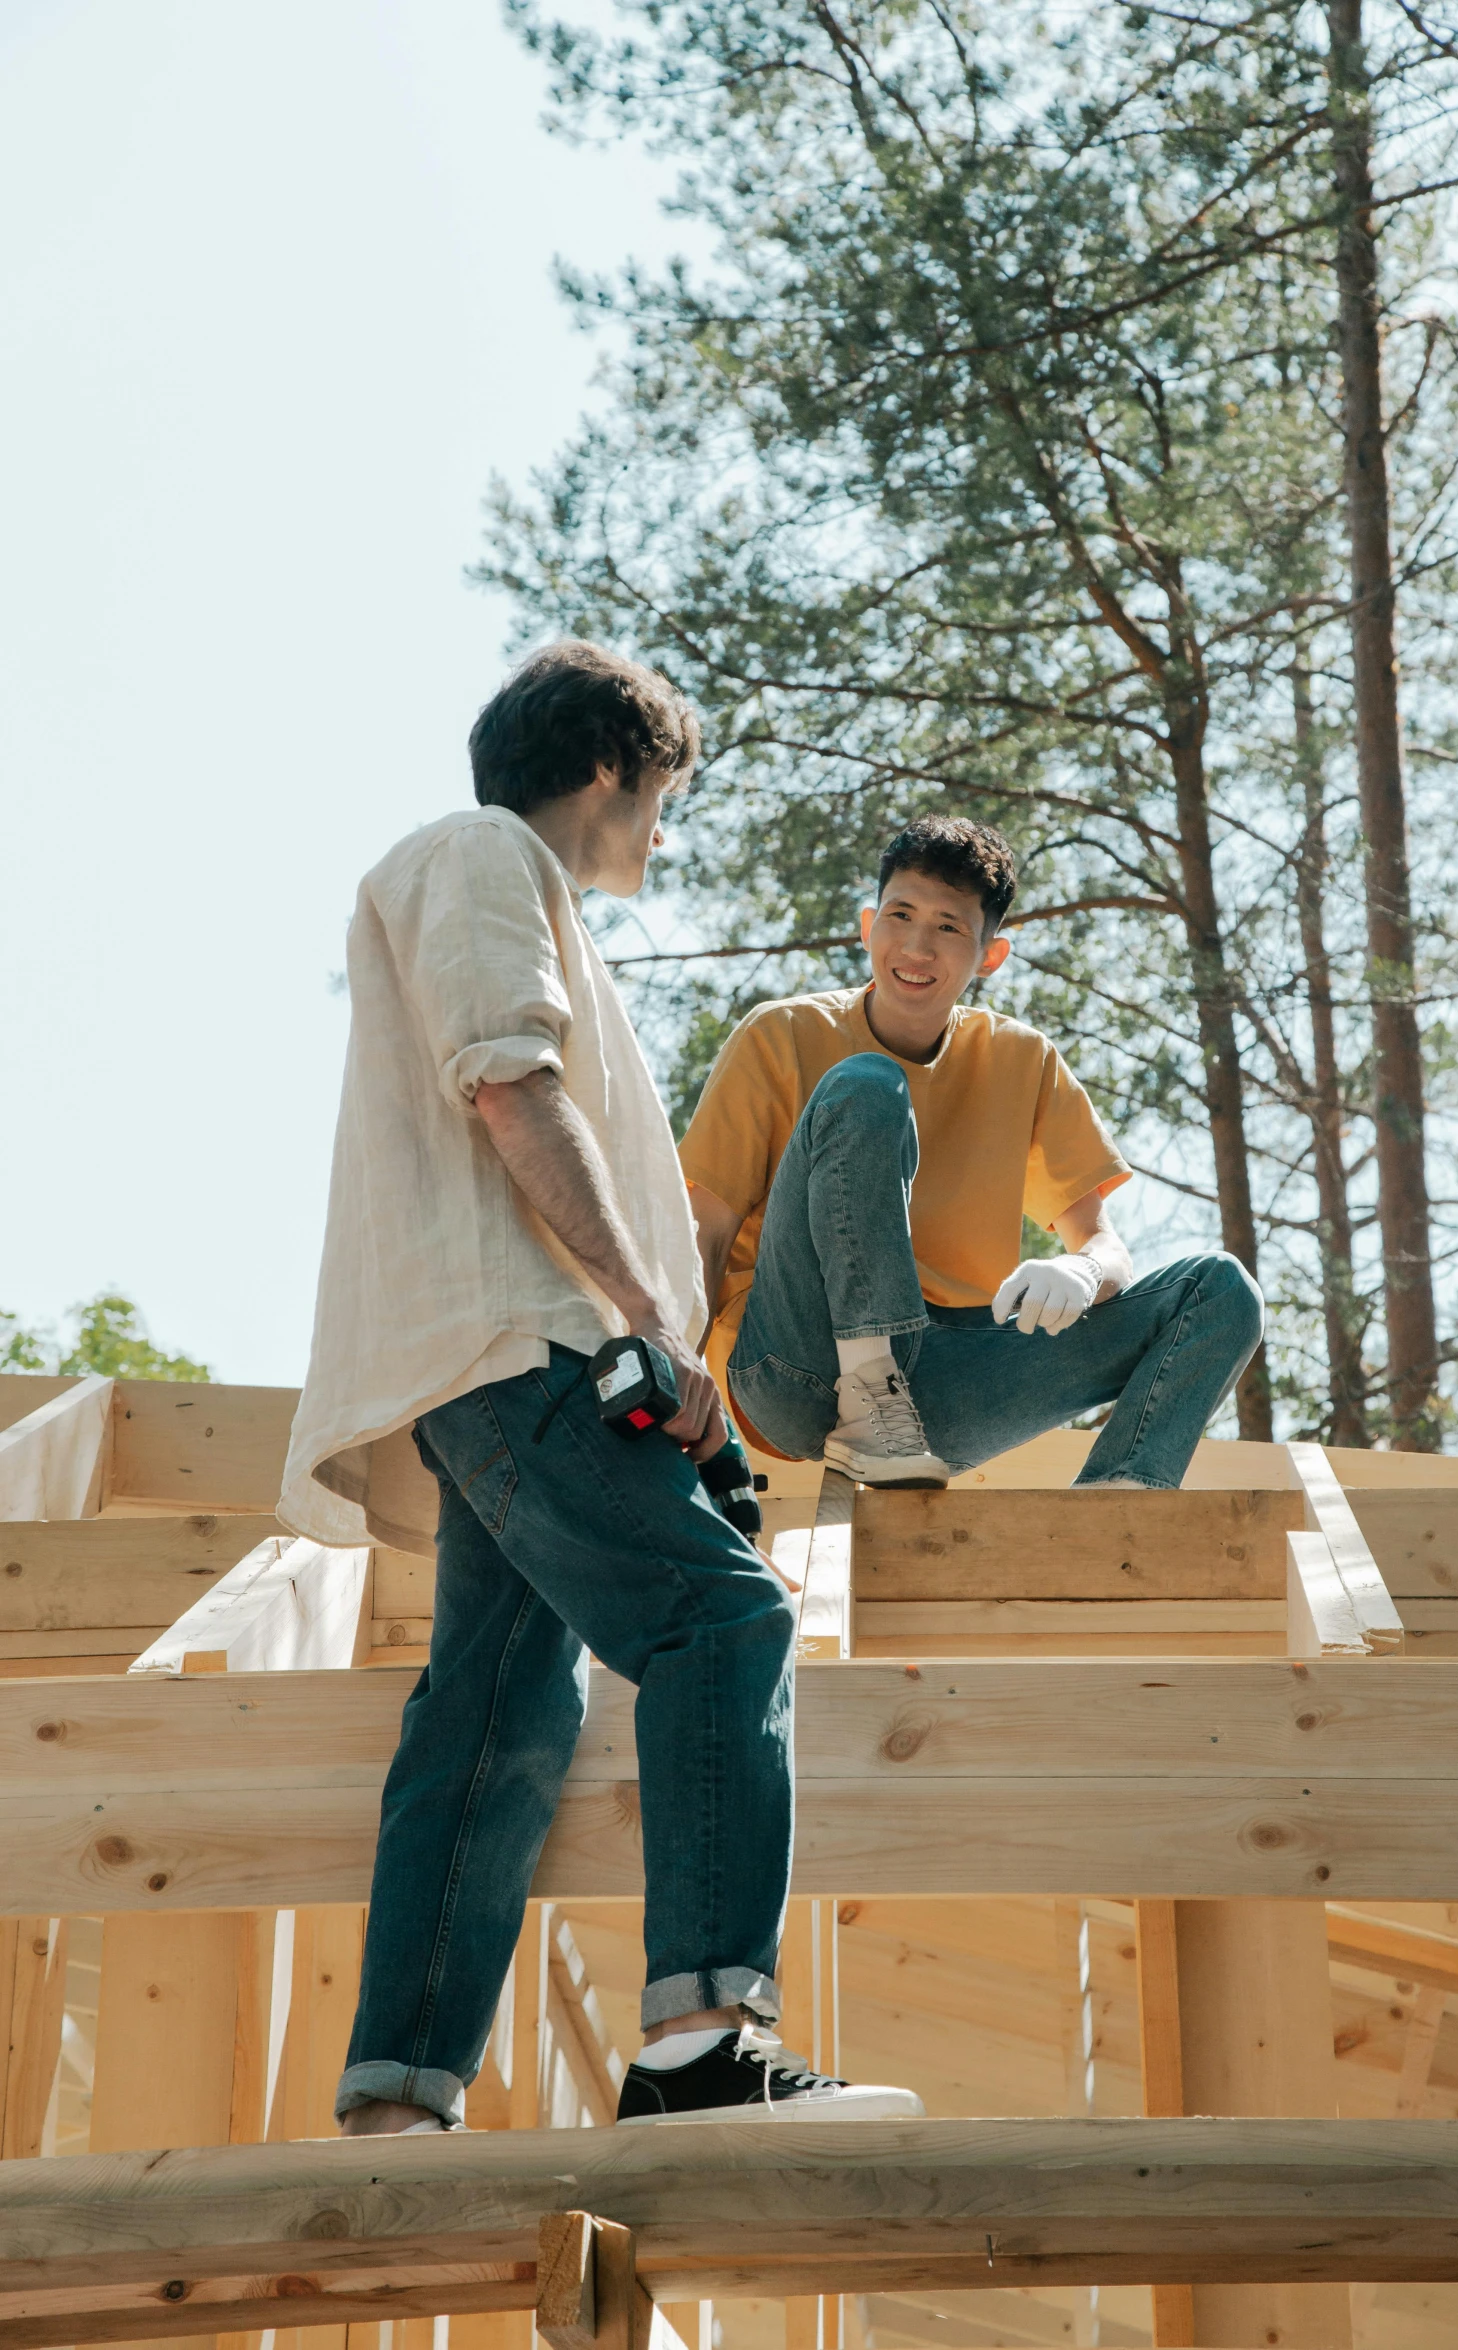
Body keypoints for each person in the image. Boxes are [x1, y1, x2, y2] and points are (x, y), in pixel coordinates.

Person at [279, 640, 921, 2132]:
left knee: (498, 1710)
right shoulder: (484, 851)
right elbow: (509, 1081)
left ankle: (396, 2103)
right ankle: (701, 2043)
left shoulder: (497, 886)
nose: (657, 831)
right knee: (721, 1611)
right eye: (657, 796)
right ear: (603, 769)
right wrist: (646, 1314)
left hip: (488, 1370)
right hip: (527, 1350)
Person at [679, 815, 1264, 1489]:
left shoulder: (1023, 1060)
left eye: (949, 927)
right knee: (865, 1085)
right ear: (869, 926)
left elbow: (1105, 1246)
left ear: (990, 955)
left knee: (1220, 1289)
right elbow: (706, 1230)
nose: (918, 946)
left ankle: (1120, 1502)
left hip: (939, 1393)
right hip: (791, 1368)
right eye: (899, 915)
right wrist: (679, 1393)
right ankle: (870, 1395)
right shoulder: (781, 1033)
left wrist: (1080, 1270)